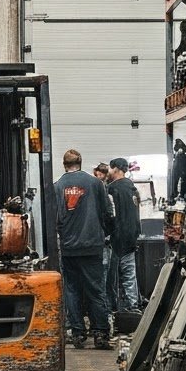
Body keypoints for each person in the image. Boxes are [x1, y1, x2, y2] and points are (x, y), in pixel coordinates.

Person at [52, 147, 115, 348]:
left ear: (64, 165)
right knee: (96, 290)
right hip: (92, 246)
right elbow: (107, 213)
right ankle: (100, 334)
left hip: (69, 247)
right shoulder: (95, 183)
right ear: (80, 163)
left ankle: (78, 333)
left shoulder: (57, 186)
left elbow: (54, 219)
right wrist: (102, 233)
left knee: (72, 290)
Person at [107, 157, 141, 314]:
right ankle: (133, 305)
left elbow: (110, 215)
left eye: (109, 168)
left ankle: (113, 309)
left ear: (115, 169)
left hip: (117, 237)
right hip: (131, 235)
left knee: (111, 276)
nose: (108, 171)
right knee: (129, 273)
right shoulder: (132, 187)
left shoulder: (112, 189)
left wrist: (109, 234)